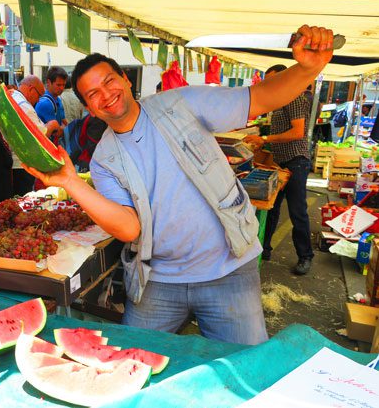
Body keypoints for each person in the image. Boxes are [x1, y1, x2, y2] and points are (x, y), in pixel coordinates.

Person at [24, 25, 334, 345]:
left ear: (126, 79)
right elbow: (130, 229)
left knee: (247, 367)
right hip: (158, 281)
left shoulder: (180, 104)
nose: (105, 94)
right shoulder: (104, 159)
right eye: (93, 94)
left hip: (228, 271)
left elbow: (260, 98)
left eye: (109, 81)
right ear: (89, 107)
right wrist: (71, 182)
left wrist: (308, 68)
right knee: (130, 360)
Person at [244, 64, 315, 275]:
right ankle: (264, 249)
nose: (269, 85)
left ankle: (305, 256)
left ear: (284, 79)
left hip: (296, 161)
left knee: (297, 211)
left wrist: (264, 138)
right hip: (280, 161)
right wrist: (264, 144)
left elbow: (297, 132)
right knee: (271, 207)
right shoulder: (280, 100)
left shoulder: (295, 97)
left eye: (273, 80)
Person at [10, 75, 58, 195]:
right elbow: (40, 134)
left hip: (15, 162)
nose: (38, 100)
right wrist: (52, 125)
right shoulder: (23, 105)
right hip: (21, 164)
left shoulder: (14, 97)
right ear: (31, 89)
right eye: (39, 95)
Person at [35, 66, 67, 137]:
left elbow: (64, 122)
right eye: (58, 85)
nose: (62, 88)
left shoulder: (57, 99)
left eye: (64, 85)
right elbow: (57, 133)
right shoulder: (45, 103)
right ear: (49, 82)